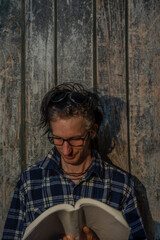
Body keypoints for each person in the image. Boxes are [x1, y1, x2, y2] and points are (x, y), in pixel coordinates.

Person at [2, 83, 147, 240]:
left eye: (75, 139)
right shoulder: (29, 181)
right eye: (57, 139)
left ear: (92, 131)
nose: (66, 150)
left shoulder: (121, 185)